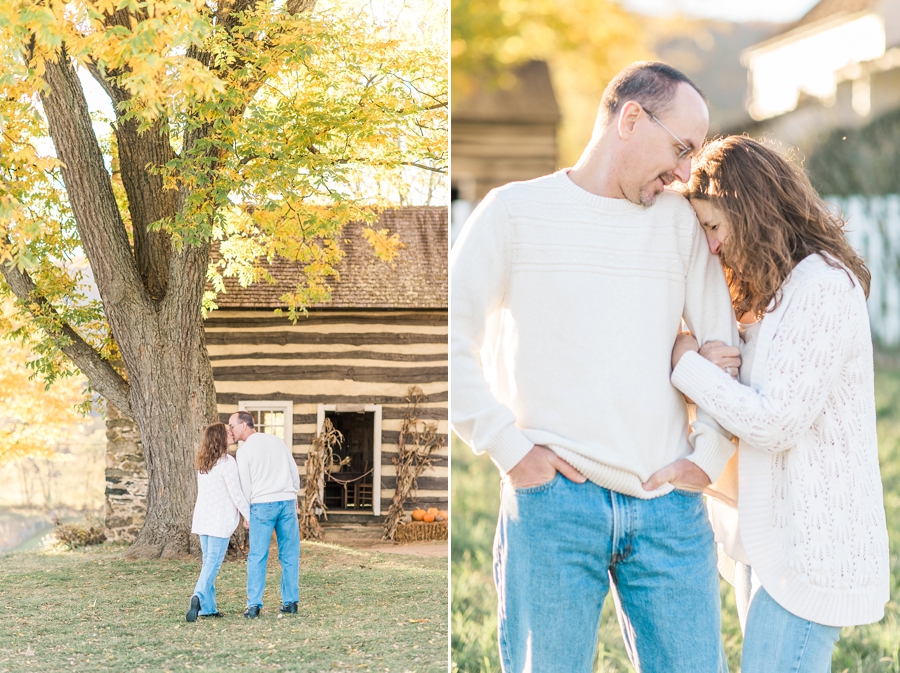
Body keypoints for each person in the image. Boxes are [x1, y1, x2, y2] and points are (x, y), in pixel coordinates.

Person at [450, 61, 739, 672]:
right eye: (681, 149)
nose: (687, 172)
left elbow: (722, 345)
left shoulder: (681, 225)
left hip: (669, 505)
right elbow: (449, 338)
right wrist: (508, 448)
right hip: (553, 504)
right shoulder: (512, 214)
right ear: (631, 119)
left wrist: (706, 458)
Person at [665, 136, 890, 672]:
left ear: (752, 210)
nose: (712, 247)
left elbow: (776, 420)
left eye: (714, 227)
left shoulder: (823, 286)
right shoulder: (774, 288)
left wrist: (686, 362)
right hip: (765, 534)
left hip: (811, 546)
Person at [229, 410, 301, 619]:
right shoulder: (277, 441)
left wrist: (247, 513)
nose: (230, 431)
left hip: (261, 504)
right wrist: (293, 491)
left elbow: (246, 485)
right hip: (286, 502)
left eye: (232, 426)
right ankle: (290, 602)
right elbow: (293, 470)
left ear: (244, 425)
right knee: (289, 554)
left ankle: (254, 606)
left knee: (258, 556)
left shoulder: (244, 451)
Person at [185, 422, 250, 622]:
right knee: (213, 562)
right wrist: (248, 515)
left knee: (208, 562)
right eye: (227, 432)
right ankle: (198, 595)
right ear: (219, 438)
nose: (231, 433)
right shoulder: (227, 462)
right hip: (219, 520)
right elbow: (236, 494)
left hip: (204, 518)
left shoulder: (204, 463)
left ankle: (208, 608)